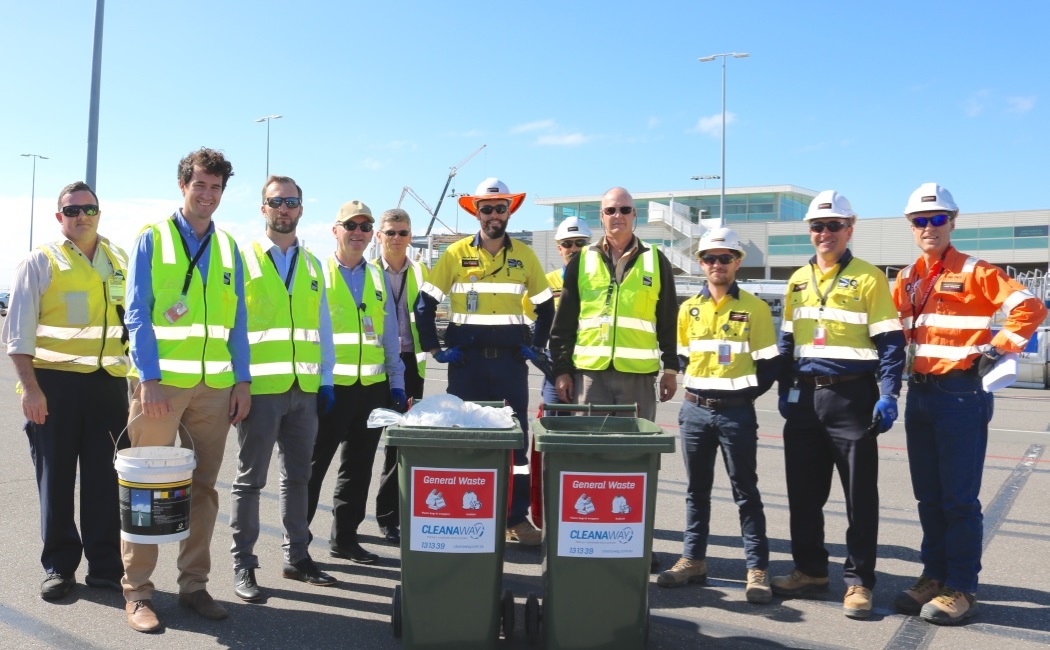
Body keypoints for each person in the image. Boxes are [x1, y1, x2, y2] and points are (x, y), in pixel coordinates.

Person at [891, 183, 1046, 625]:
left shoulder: (978, 272)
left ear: (953, 221)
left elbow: (1031, 307)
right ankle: (933, 577)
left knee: (958, 499)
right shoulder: (908, 277)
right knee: (928, 498)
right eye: (921, 220)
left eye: (938, 218)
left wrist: (995, 350)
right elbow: (890, 325)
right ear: (911, 226)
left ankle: (962, 587)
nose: (929, 227)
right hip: (918, 394)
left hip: (959, 395)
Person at [122, 148, 252, 633]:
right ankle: (137, 593)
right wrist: (149, 378)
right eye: (200, 185)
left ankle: (193, 585)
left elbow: (237, 322)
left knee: (202, 489)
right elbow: (138, 313)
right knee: (148, 487)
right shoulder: (152, 239)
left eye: (216, 187)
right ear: (184, 186)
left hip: (214, 389)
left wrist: (242, 381)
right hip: (162, 387)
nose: (208, 195)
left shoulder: (229, 249)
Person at [771, 190, 905, 619]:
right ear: (809, 231)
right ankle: (810, 570)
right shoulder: (796, 279)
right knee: (803, 493)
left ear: (850, 229)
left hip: (852, 395)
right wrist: (785, 389)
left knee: (858, 495)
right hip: (807, 396)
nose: (824, 233)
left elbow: (889, 342)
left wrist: (888, 393)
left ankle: (859, 581)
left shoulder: (869, 278)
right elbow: (788, 339)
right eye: (817, 226)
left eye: (833, 225)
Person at [2, 181, 129, 601]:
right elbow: (17, 336)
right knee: (55, 480)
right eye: (72, 210)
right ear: (60, 217)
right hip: (54, 387)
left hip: (109, 385)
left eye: (88, 209)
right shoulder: (40, 262)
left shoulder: (119, 260)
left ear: (99, 212)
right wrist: (31, 391)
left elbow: (133, 324)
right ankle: (59, 567)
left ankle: (106, 568)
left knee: (104, 481)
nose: (81, 217)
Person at [415, 177, 554, 546]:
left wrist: (536, 347)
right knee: (465, 437)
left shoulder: (524, 255)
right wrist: (435, 350)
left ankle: (515, 518)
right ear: (477, 212)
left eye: (500, 207)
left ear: (510, 211)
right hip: (468, 365)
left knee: (515, 442)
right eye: (487, 208)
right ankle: (467, 510)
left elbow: (545, 305)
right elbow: (424, 303)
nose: (494, 214)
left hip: (510, 365)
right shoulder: (455, 254)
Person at [229, 175, 337, 603]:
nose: (284, 209)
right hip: (259, 390)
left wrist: (325, 379)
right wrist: (238, 381)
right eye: (276, 202)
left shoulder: (312, 264)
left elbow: (323, 326)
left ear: (301, 208)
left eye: (291, 201)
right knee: (249, 480)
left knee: (299, 477)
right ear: (263, 209)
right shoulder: (243, 258)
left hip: (303, 389)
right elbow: (231, 324)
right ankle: (243, 564)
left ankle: (297, 557)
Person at [657, 227, 778, 605]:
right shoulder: (688, 309)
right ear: (701, 263)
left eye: (725, 258)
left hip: (735, 414)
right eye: (710, 258)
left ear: (737, 262)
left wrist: (741, 397)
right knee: (696, 491)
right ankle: (693, 560)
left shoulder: (754, 309)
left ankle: (757, 569)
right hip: (694, 412)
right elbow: (679, 357)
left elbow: (769, 365)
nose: (717, 264)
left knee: (746, 492)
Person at [306, 200, 406, 565]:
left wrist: (397, 384)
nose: (359, 233)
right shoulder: (316, 273)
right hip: (330, 390)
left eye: (365, 227)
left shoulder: (378, 276)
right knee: (311, 469)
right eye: (352, 226)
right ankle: (297, 546)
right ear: (336, 230)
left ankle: (344, 539)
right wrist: (319, 383)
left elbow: (390, 334)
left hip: (372, 390)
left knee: (358, 469)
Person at [550, 186, 679, 421]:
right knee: (589, 449)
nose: (617, 215)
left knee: (635, 450)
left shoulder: (656, 259)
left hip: (637, 377)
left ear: (634, 214)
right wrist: (562, 370)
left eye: (624, 209)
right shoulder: (582, 261)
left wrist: (670, 369)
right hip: (590, 376)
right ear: (602, 216)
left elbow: (669, 320)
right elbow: (564, 324)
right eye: (610, 210)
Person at [372, 208, 429, 547]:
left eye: (403, 232)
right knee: (362, 448)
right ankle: (346, 523)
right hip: (373, 365)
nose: (396, 238)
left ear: (411, 236)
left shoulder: (421, 271)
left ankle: (390, 516)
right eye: (390, 232)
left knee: (400, 447)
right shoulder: (367, 272)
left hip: (410, 367)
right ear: (379, 236)